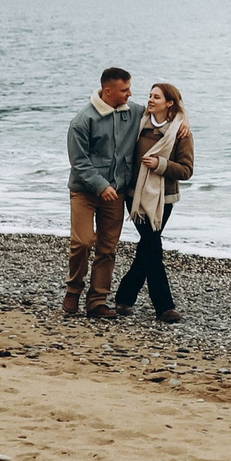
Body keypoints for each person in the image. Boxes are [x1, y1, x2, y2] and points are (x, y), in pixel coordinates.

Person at [65, 67, 144, 318]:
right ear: (108, 91)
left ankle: (97, 301)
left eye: (129, 88)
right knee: (83, 242)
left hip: (117, 193)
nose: (130, 94)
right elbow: (79, 162)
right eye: (124, 90)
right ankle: (73, 290)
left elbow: (164, 112)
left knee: (108, 248)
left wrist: (182, 122)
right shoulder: (82, 121)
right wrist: (101, 185)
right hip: (84, 192)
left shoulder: (134, 113)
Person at [113, 82, 195, 322]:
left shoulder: (180, 132)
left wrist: (160, 165)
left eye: (156, 97)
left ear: (169, 103)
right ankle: (164, 307)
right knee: (151, 244)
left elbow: (187, 170)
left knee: (149, 245)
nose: (150, 100)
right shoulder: (140, 122)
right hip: (134, 195)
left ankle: (125, 297)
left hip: (163, 198)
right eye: (150, 95)